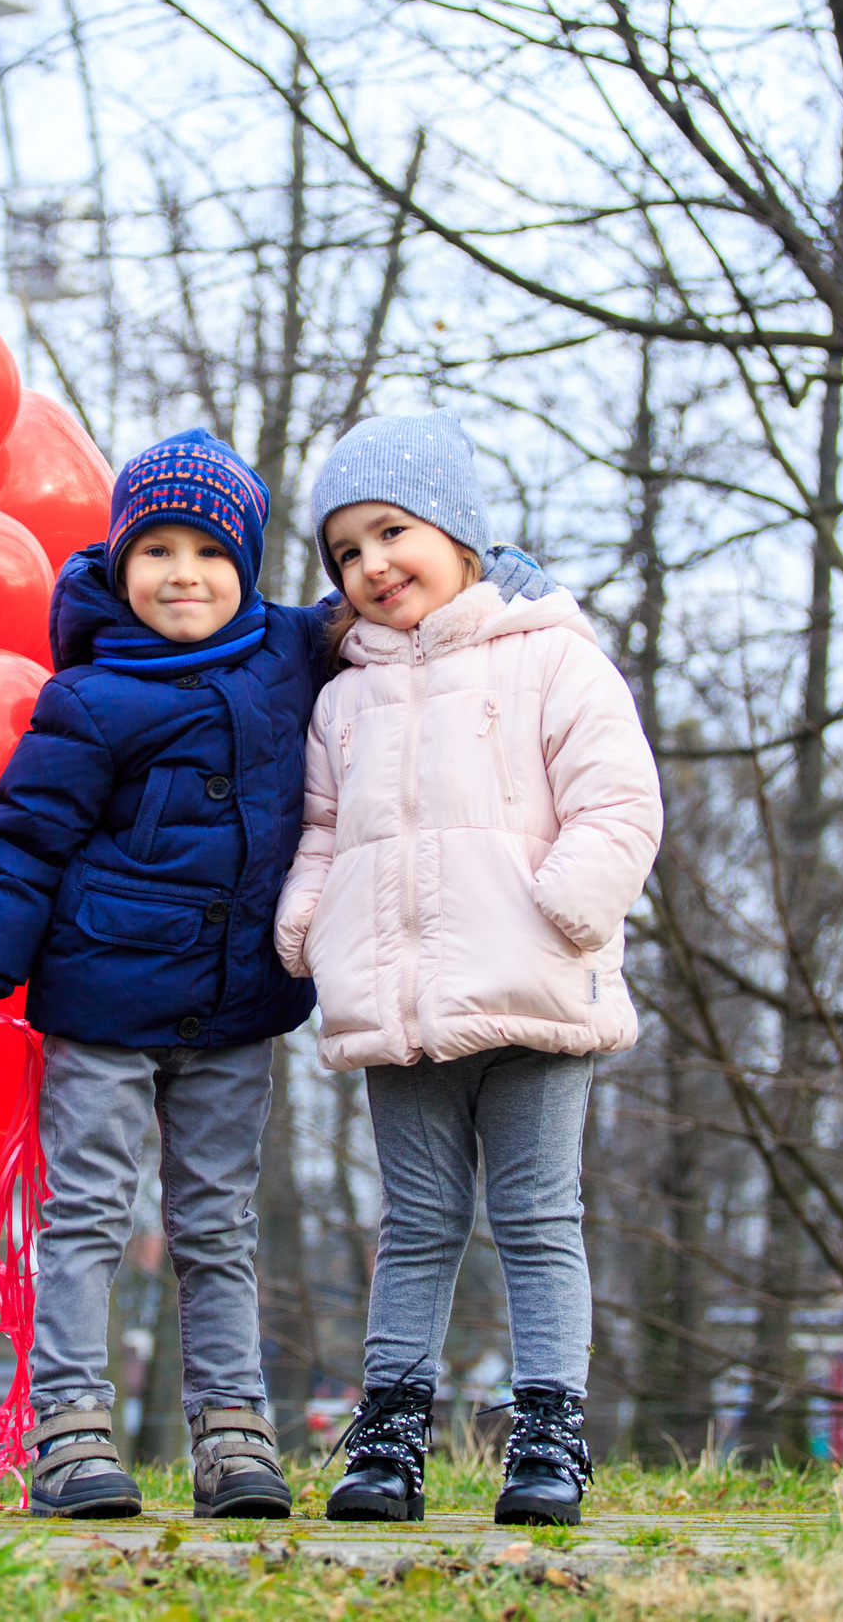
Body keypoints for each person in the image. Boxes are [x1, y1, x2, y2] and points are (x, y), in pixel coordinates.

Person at [0, 428, 551, 1520]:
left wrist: (498, 586)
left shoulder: (288, 650)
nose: (183, 574)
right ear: (119, 565)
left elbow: (392, 599)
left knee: (216, 1226)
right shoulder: (92, 697)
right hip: (104, 1006)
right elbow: (24, 838)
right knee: (90, 1217)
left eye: (208, 552)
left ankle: (233, 1435)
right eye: (155, 551)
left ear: (245, 566)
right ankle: (67, 1429)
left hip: (231, 1011)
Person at [274, 413, 663, 1528]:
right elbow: (323, 827)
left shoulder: (550, 655)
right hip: (400, 1003)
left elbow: (618, 800)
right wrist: (308, 919)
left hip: (535, 988)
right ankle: (388, 1441)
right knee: (416, 1220)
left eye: (391, 531)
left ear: (458, 531)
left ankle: (546, 1437)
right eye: (344, 552)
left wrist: (563, 907)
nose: (370, 566)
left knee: (539, 1217)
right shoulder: (343, 695)